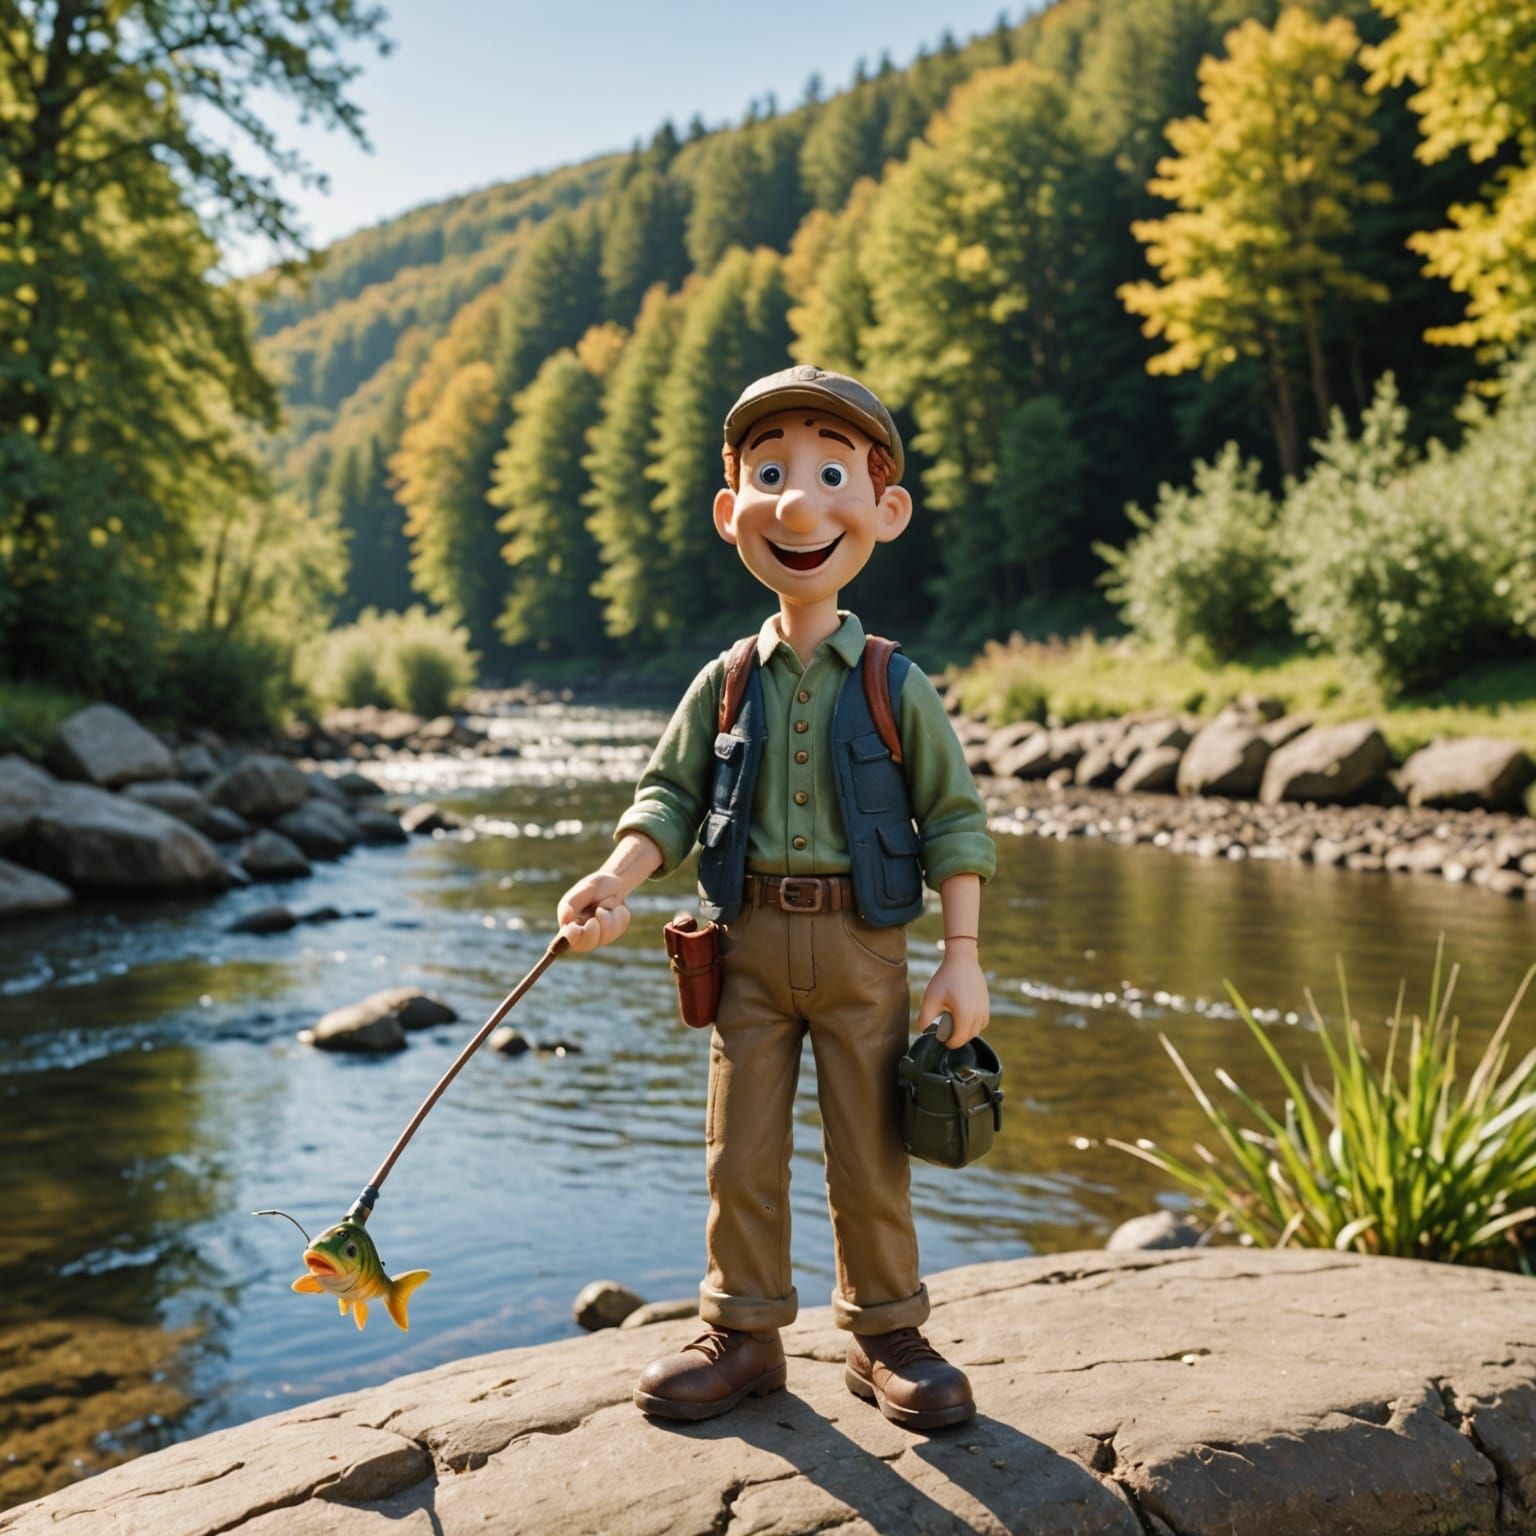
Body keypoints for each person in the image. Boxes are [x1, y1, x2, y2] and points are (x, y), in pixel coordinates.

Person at [556, 364, 995, 1431]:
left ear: (885, 511)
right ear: (731, 511)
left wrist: (964, 953)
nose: (798, 502)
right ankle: (743, 1335)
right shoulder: (725, 681)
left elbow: (954, 820)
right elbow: (667, 794)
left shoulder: (896, 681)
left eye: (830, 473)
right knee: (739, 1149)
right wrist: (614, 883)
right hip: (742, 942)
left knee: (870, 1146)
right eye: (770, 473)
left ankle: (886, 1330)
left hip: (864, 945)